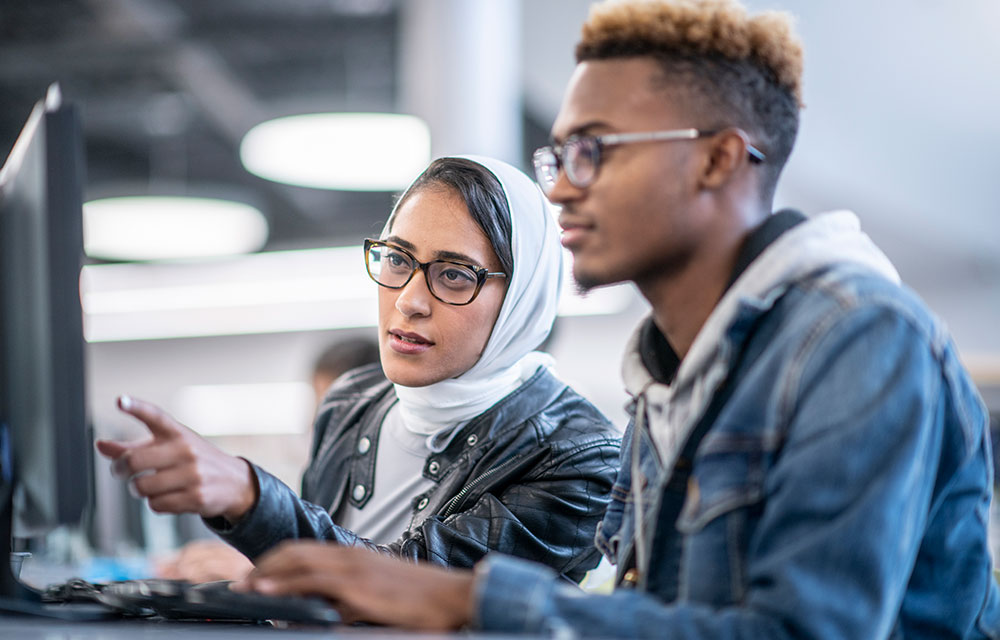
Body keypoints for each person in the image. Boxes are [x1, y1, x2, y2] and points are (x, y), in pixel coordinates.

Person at [234, 1, 1000, 637]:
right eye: (559, 154)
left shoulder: (860, 339)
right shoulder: (668, 374)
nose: (563, 189)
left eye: (596, 150)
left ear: (718, 160)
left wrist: (468, 599)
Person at [96, 155, 621, 581]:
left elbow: (419, 586)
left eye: (454, 275)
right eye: (396, 259)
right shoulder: (352, 400)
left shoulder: (581, 458)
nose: (410, 300)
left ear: (521, 299)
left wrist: (252, 499)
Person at [154, 336, 381, 583]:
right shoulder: (326, 480)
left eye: (335, 414)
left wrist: (259, 572)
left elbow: (368, 579)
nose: (316, 424)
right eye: (319, 410)